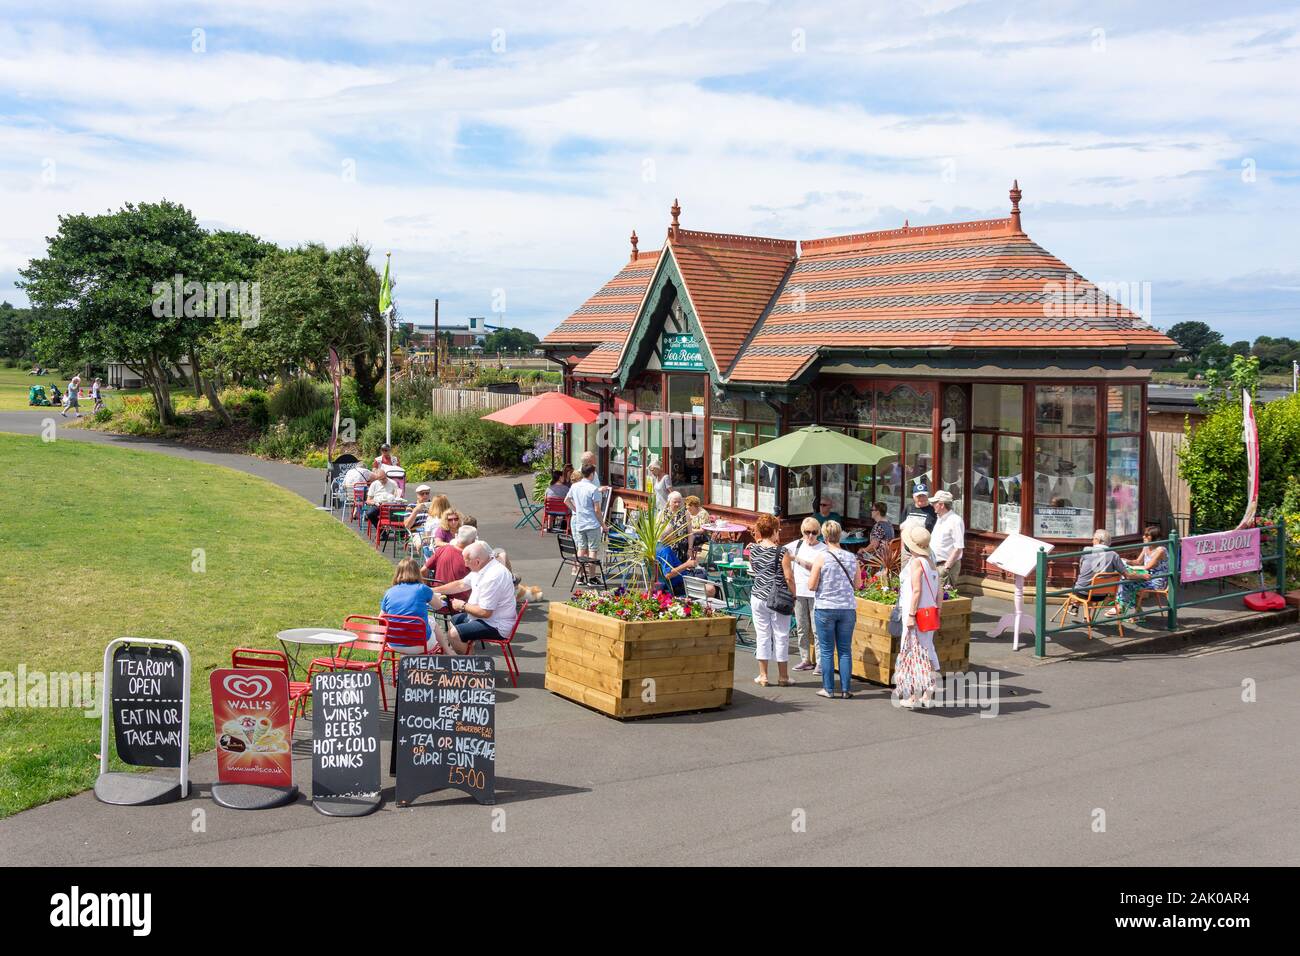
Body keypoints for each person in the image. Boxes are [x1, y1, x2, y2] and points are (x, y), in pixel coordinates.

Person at [799, 520, 860, 699]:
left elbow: (811, 585)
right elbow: (858, 584)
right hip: (847, 608)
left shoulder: (822, 557)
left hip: (826, 607)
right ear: (840, 535)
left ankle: (828, 688)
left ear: (824, 537)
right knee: (845, 650)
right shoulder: (852, 557)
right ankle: (846, 689)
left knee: (826, 651)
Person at [439, 542, 519, 655]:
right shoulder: (484, 566)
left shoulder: (493, 577)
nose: (465, 565)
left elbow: (485, 612)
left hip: (496, 625)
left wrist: (462, 605)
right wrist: (432, 590)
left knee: (453, 635)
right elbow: (461, 584)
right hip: (489, 619)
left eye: (467, 561)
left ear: (477, 561)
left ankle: (470, 662)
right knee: (454, 621)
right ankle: (468, 653)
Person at [894, 524, 940, 708]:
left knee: (913, 654)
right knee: (928, 652)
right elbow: (939, 592)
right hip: (929, 613)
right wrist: (937, 611)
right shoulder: (931, 562)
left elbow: (916, 591)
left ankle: (913, 696)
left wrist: (911, 614)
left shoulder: (916, 563)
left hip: (916, 613)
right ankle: (928, 694)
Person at [749, 514, 796, 688]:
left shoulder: (753, 549)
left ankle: (763, 676)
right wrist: (795, 595)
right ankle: (783, 677)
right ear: (775, 531)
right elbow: (788, 577)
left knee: (762, 635)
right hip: (778, 597)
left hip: (758, 595)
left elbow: (755, 569)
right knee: (781, 635)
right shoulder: (782, 552)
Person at [783, 517, 826, 673]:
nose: (810, 536)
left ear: (818, 532)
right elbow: (779, 551)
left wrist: (797, 559)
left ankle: (820, 662)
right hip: (799, 591)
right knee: (802, 627)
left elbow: (815, 568)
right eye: (807, 532)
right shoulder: (797, 545)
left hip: (815, 593)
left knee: (817, 629)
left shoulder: (823, 549)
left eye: (814, 532)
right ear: (803, 532)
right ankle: (805, 659)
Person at [1071, 528, 1132, 614]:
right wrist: (1142, 576)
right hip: (1101, 595)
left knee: (1081, 583)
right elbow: (1127, 575)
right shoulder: (1113, 555)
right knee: (1092, 583)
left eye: (1093, 539)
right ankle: (1086, 616)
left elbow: (1081, 568)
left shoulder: (1086, 550)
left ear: (1098, 540)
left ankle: (1075, 605)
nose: (1092, 541)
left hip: (1082, 593)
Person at [1113, 525, 1169, 615]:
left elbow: (1147, 567)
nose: (1143, 537)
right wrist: (1126, 561)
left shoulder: (1160, 550)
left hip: (1157, 580)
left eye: (1147, 535)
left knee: (1128, 582)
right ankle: (1130, 609)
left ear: (1154, 537)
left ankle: (1123, 607)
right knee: (1125, 580)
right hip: (1145, 577)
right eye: (1144, 535)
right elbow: (1138, 562)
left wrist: (1130, 568)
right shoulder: (1146, 547)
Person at [380, 558, 435, 646]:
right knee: (432, 621)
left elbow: (381, 618)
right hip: (420, 644)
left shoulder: (389, 592)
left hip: (394, 643)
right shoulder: (423, 589)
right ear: (417, 572)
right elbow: (439, 606)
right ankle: (448, 651)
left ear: (398, 573)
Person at [564, 464, 606, 569]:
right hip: (592, 524)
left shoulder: (574, 486)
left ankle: (580, 573)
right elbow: (597, 510)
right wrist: (603, 525)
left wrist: (577, 510)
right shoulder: (593, 489)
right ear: (592, 474)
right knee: (592, 551)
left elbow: (566, 500)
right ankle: (591, 576)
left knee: (581, 549)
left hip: (580, 523)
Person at [423, 524, 476, 605]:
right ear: (473, 542)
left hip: (437, 600)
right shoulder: (471, 558)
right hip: (459, 603)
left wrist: (427, 587)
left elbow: (423, 570)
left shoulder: (442, 549)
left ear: (457, 537)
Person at [930, 489, 965, 591]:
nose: (932, 505)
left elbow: (958, 547)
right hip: (935, 564)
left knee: (945, 597)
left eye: (934, 503)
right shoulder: (940, 518)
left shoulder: (955, 520)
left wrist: (946, 567)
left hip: (946, 565)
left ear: (941, 505)